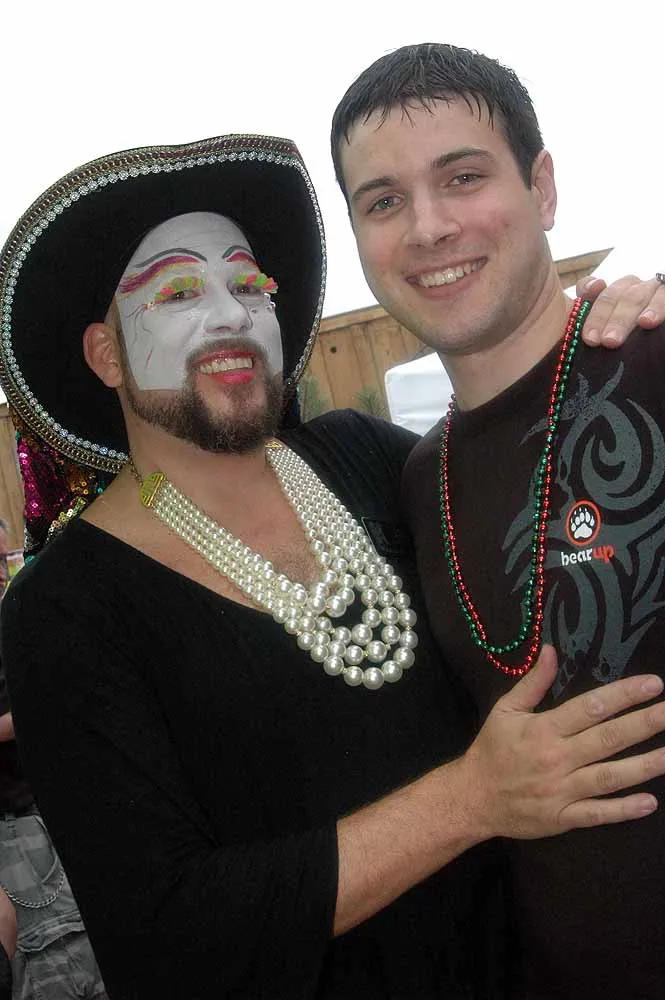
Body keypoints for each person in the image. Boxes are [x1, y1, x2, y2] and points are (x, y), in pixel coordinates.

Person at [0, 134, 662, 1000]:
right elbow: (163, 936)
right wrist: (470, 799)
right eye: (179, 292)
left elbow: (538, 476)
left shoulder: (375, 462)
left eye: (250, 285)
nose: (231, 315)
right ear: (107, 354)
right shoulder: (64, 611)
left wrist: (610, 337)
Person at [331, 42, 665, 999]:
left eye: (462, 178)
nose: (428, 227)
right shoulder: (415, 478)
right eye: (383, 201)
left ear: (542, 188)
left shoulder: (649, 364)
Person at [0, 519, 107, 1000]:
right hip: (16, 829)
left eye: (6, 558)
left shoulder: (19, 616)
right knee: (56, 968)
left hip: (52, 812)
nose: (3, 569)